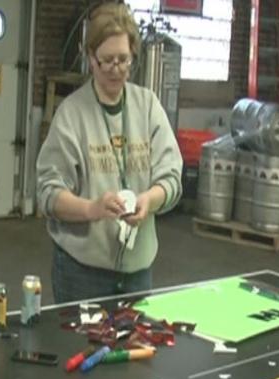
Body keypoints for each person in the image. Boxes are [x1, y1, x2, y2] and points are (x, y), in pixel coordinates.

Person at [36, 1, 182, 304]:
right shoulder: (72, 114)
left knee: (135, 349)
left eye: (124, 60)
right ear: (91, 58)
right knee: (80, 350)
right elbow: (48, 193)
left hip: (138, 273)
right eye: (107, 61)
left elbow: (172, 178)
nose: (116, 69)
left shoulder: (148, 107)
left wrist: (149, 200)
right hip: (82, 274)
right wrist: (92, 209)